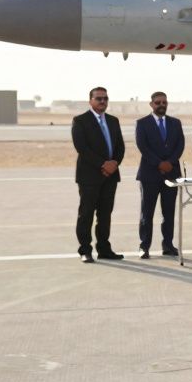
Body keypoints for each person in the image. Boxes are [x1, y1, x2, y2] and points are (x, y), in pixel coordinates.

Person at [71, 87, 126, 263]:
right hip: (89, 176)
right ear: (91, 101)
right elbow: (82, 148)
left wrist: (114, 163)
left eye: (105, 98)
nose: (103, 101)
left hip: (110, 176)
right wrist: (103, 164)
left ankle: (104, 248)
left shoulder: (113, 121)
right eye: (99, 98)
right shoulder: (80, 121)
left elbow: (120, 146)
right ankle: (85, 250)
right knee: (86, 213)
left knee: (105, 214)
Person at [134, 91, 184, 258]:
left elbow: (180, 145)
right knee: (147, 213)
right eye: (158, 102)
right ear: (151, 104)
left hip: (171, 173)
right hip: (150, 175)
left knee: (169, 213)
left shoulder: (175, 123)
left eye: (164, 102)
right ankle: (144, 246)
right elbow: (143, 146)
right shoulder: (142, 123)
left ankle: (168, 245)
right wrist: (159, 163)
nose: (161, 105)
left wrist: (169, 162)